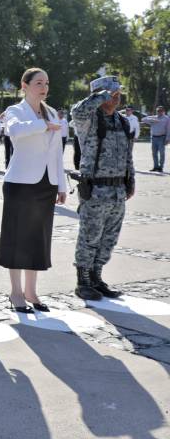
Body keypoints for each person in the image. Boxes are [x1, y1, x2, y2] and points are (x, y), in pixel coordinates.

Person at [0, 69, 67, 312]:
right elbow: (15, 131)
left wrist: (61, 184)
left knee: (38, 239)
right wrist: (43, 126)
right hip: (20, 183)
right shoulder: (15, 111)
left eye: (46, 83)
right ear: (24, 85)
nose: (44, 87)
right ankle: (16, 293)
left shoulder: (51, 113)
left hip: (46, 184)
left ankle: (31, 291)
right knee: (16, 238)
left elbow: (57, 152)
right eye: (38, 83)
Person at [71, 76, 135, 300]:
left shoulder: (122, 121)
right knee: (89, 237)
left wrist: (131, 180)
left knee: (109, 238)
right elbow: (77, 111)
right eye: (111, 93)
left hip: (117, 189)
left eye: (117, 93)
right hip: (96, 189)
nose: (116, 97)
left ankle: (97, 277)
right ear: (99, 95)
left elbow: (128, 155)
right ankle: (83, 281)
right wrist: (101, 95)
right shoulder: (89, 120)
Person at [141, 106, 170, 172]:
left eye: (160, 110)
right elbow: (143, 119)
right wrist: (152, 119)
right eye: (158, 111)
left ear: (163, 111)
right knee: (154, 153)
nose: (159, 112)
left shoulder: (166, 118)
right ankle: (155, 166)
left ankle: (161, 167)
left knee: (162, 153)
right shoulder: (154, 117)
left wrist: (168, 139)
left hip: (162, 137)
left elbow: (168, 129)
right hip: (153, 138)